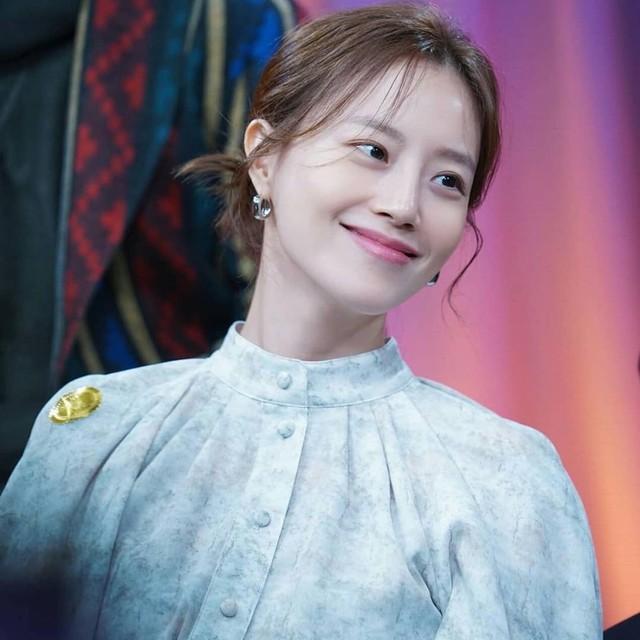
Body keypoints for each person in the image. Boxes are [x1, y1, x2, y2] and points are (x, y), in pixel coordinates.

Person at [0, 3, 602, 639]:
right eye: (373, 150)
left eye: (448, 181)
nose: (404, 205)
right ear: (264, 157)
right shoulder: (95, 434)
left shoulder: (505, 480)